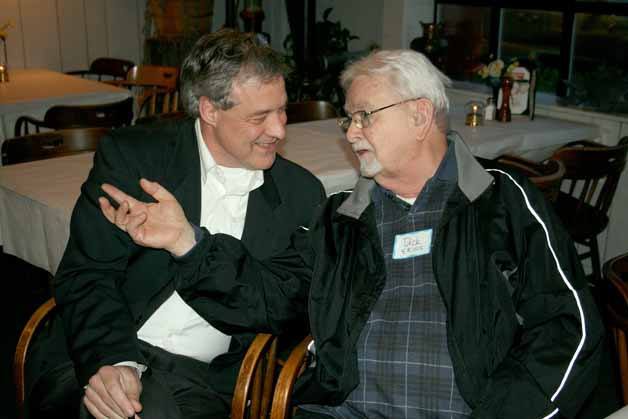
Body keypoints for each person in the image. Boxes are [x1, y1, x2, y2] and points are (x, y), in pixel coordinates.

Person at [99, 49, 604, 418]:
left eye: (365, 115)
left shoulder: (500, 200)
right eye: (349, 118)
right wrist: (187, 242)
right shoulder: (341, 220)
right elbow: (274, 299)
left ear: (420, 114)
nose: (351, 131)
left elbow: (570, 328)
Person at [26, 29, 325, 419]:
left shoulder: (299, 193)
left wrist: (190, 243)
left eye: (282, 110)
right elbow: (88, 272)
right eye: (259, 117)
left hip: (208, 381)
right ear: (209, 110)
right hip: (105, 352)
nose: (279, 130)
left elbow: (286, 306)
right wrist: (116, 362)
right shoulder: (136, 160)